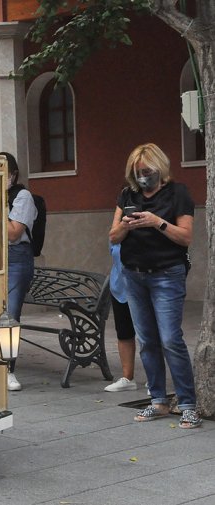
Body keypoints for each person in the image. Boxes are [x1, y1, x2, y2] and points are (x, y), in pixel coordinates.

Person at [109, 142, 200, 429]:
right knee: (147, 340)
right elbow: (113, 236)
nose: (142, 177)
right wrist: (125, 225)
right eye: (137, 172)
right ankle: (157, 400)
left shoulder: (178, 193)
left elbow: (185, 237)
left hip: (166, 275)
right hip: (134, 274)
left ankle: (187, 404)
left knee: (171, 339)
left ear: (159, 168)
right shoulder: (127, 194)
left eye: (147, 171)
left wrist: (156, 221)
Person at [2, 152, 37, 392]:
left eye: (1, 171)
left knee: (10, 316)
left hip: (16, 258)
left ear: (12, 175)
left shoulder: (22, 196)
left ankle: (8, 370)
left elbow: (13, 233)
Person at [104, 241, 139, 392]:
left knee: (151, 334)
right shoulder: (119, 223)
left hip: (144, 285)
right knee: (124, 332)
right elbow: (113, 241)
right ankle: (127, 377)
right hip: (120, 285)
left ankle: (154, 379)